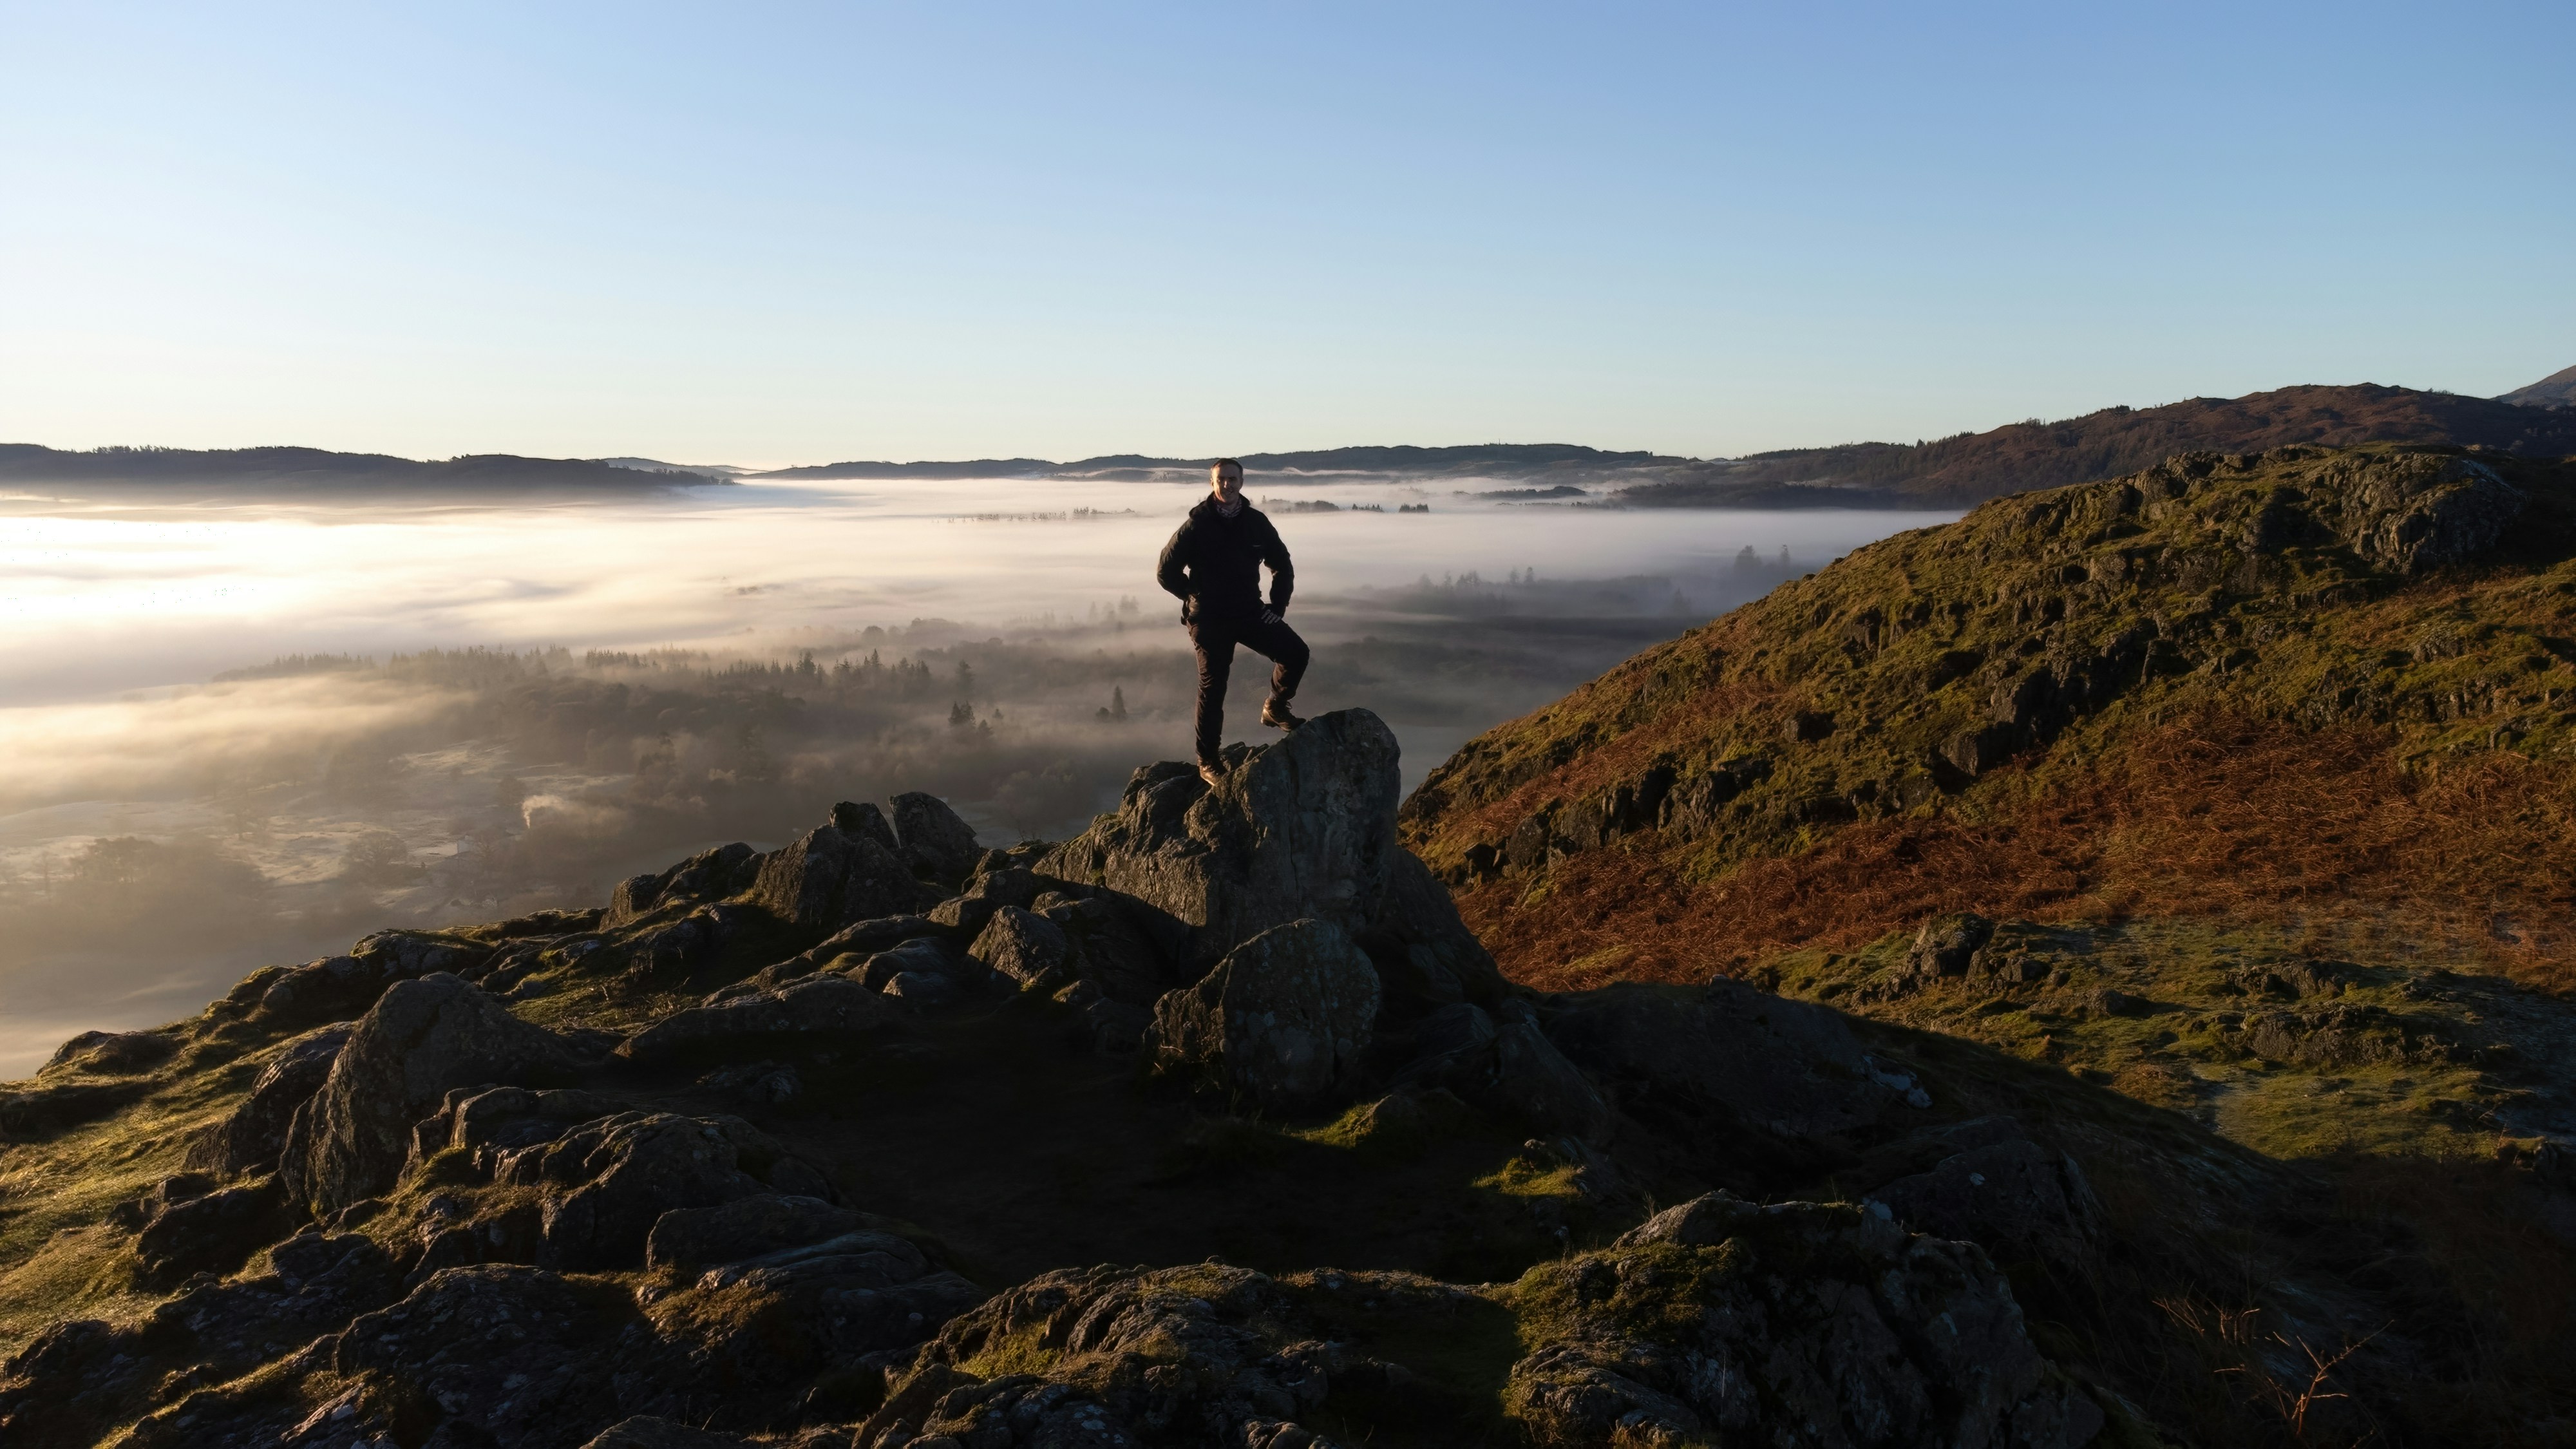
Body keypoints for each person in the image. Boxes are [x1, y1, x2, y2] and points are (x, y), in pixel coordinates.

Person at [1156, 458, 1309, 787]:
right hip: (1208, 618)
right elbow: (1165, 572)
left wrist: (1278, 606)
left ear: (1242, 482)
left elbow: (1282, 564)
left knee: (1296, 653)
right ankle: (1208, 760)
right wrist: (1193, 595)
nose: (1227, 485)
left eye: (1232, 479)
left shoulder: (1256, 522)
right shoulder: (1196, 526)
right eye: (1221, 479)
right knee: (1214, 687)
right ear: (1212, 483)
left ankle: (1276, 707)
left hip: (1248, 611)